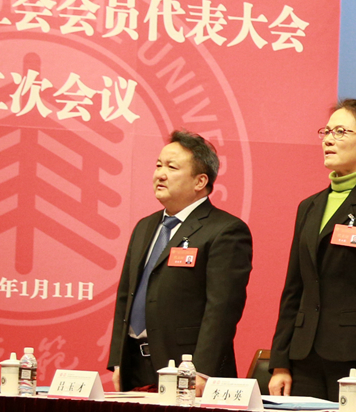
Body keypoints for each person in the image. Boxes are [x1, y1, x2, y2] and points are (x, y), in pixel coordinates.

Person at [266, 100, 356, 402]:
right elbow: (294, 290)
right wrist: (280, 362)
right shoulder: (309, 206)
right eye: (326, 132)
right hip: (303, 356)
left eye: (340, 132)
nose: (328, 140)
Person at [107, 131, 252, 393]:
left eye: (171, 168)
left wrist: (202, 370)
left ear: (200, 181)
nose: (160, 175)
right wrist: (118, 361)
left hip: (189, 371)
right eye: (158, 165)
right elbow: (125, 298)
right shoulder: (145, 227)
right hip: (135, 367)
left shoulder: (225, 230)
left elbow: (222, 310)